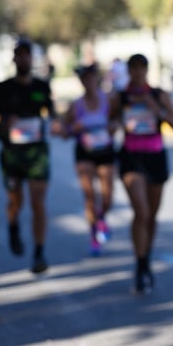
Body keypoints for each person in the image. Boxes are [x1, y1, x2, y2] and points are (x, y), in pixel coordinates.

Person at [0, 38, 57, 274]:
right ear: (14, 58)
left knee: (38, 202)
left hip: (37, 152)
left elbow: (52, 114)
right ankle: (13, 224)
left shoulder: (41, 87)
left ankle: (39, 252)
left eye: (27, 55)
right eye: (20, 55)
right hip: (11, 154)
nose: (24, 59)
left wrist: (58, 124)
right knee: (15, 200)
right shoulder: (0, 89)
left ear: (32, 59)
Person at [109, 53, 173, 294]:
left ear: (146, 70)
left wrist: (156, 109)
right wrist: (113, 125)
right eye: (133, 69)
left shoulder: (159, 94)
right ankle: (139, 266)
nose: (137, 73)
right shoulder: (120, 96)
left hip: (155, 158)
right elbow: (110, 122)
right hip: (131, 157)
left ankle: (145, 258)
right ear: (128, 71)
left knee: (151, 217)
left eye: (141, 69)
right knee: (141, 211)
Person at [60, 63, 116, 256]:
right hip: (84, 152)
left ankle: (100, 218)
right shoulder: (76, 106)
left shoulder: (108, 100)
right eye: (85, 79)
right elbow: (63, 130)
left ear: (97, 79)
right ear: (82, 82)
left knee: (107, 197)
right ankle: (94, 236)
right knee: (90, 196)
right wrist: (70, 129)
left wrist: (113, 127)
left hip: (105, 151)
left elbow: (118, 120)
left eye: (92, 78)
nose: (89, 82)